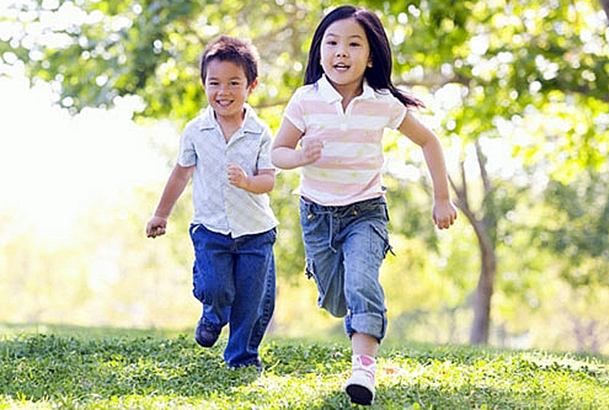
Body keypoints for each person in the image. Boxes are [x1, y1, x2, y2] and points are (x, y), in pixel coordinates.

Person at [271, 5, 457, 405]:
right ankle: (347, 306)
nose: (342, 51)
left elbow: (428, 141)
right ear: (320, 51)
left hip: (366, 211)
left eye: (354, 44)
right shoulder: (306, 100)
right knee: (337, 300)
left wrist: (442, 198)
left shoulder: (382, 102)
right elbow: (277, 152)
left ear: (370, 56)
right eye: (332, 43)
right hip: (317, 214)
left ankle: (363, 370)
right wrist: (300, 156)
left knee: (361, 283)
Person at [146, 35, 278, 371]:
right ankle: (213, 313)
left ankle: (241, 358)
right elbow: (180, 175)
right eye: (214, 83)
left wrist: (248, 182)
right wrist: (161, 214)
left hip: (255, 232)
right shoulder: (196, 131)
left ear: (251, 86)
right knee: (216, 287)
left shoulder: (261, 133)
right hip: (210, 229)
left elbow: (269, 180)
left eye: (234, 83)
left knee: (250, 301)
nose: (223, 91)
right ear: (204, 84)